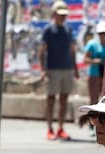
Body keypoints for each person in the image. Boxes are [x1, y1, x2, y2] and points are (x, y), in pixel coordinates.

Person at [39, 1, 78, 141]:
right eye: (60, 15)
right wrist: (43, 69)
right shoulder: (48, 30)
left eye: (64, 15)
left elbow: (72, 51)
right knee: (51, 99)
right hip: (53, 69)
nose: (63, 17)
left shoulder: (68, 30)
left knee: (64, 99)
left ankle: (61, 128)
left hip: (67, 69)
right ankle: (50, 128)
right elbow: (42, 51)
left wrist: (75, 68)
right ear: (54, 14)